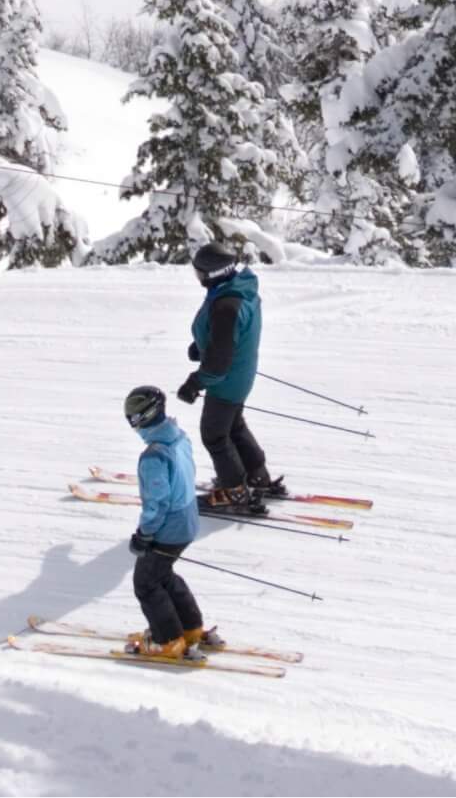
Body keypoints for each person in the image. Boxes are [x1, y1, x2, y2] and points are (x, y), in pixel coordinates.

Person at [177, 240, 284, 515]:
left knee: (214, 435)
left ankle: (234, 491)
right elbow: (226, 339)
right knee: (234, 427)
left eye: (199, 272)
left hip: (226, 381)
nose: (197, 276)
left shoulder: (227, 305)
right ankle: (257, 477)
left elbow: (218, 362)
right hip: (240, 375)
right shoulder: (238, 289)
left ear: (212, 274)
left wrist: (194, 383)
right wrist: (202, 345)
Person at [121, 384, 215, 659]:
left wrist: (144, 534)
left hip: (169, 528)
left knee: (146, 583)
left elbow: (156, 504)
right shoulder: (178, 438)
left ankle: (168, 640)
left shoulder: (154, 456)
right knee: (163, 575)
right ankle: (190, 629)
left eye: (132, 417)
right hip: (188, 520)